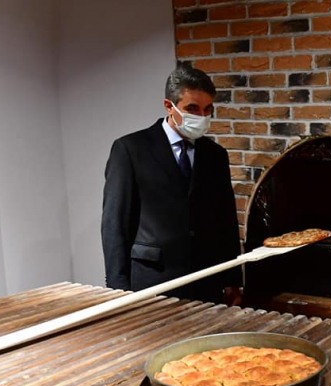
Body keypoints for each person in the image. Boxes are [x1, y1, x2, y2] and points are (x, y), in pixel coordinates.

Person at [101, 62, 242, 306]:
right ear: (169, 106)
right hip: (153, 281)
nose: (201, 117)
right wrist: (117, 289)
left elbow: (226, 221)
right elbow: (115, 225)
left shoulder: (215, 154)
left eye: (208, 109)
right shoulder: (131, 149)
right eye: (193, 109)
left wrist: (232, 279)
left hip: (205, 281)